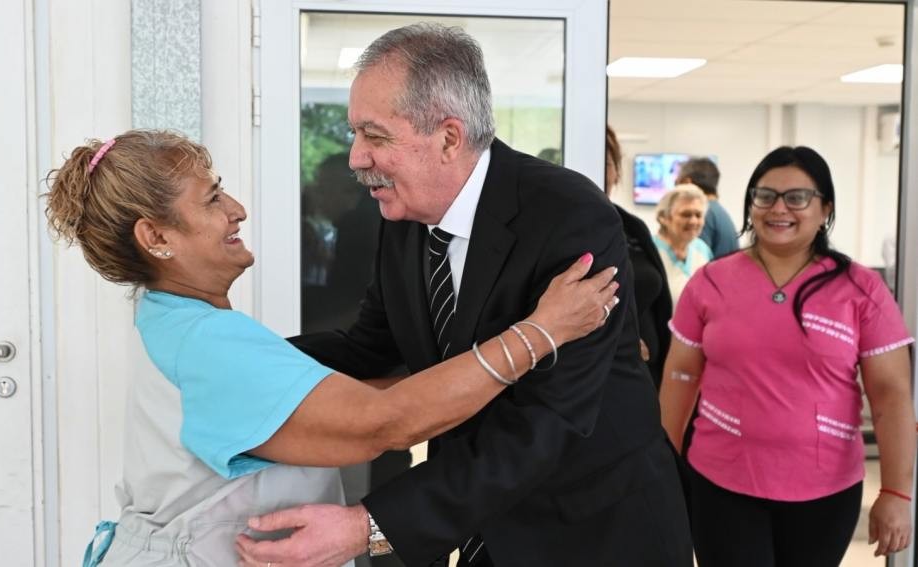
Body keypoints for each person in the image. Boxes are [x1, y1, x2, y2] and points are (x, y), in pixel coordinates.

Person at [45, 129, 620, 567]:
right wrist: (541, 333)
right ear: (156, 236)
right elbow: (385, 423)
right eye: (212, 198)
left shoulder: (174, 322)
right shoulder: (207, 343)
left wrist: (485, 372)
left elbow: (337, 397)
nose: (236, 208)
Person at [237, 23, 691, 567]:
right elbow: (372, 349)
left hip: (592, 529)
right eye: (355, 133)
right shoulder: (404, 216)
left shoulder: (567, 215)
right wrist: (234, 357)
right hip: (482, 517)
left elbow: (548, 419)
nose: (356, 157)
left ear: (449, 138)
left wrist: (368, 526)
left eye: (374, 136)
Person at [659, 146, 916, 566]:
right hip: (721, 483)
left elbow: (891, 396)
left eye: (797, 197)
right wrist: (663, 467)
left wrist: (896, 492)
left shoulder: (860, 288)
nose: (779, 208)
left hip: (825, 492)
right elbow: (681, 375)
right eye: (765, 196)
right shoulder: (711, 282)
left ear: (825, 208)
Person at [606, 126, 672, 388]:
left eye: (606, 163)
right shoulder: (556, 230)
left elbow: (659, 304)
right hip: (600, 382)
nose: (598, 171)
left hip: (646, 379)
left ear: (617, 172)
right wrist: (617, 340)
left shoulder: (632, 227)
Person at [653, 184, 713, 306]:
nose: (693, 221)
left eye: (698, 215)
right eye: (686, 214)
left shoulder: (702, 249)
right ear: (664, 218)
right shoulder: (651, 250)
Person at [676, 157, 739, 258]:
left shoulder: (702, 214)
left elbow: (694, 261)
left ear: (687, 183)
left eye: (676, 183)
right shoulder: (718, 212)